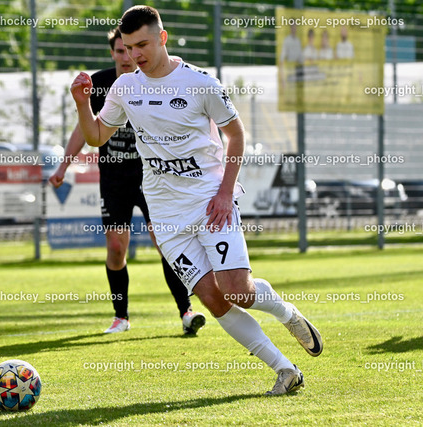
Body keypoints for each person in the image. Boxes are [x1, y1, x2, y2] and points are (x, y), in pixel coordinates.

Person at [70, 5, 323, 395]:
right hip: (166, 214)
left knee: (237, 290)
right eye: (129, 47)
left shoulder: (200, 83)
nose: (135, 54)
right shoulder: (124, 87)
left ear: (162, 38)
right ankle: (285, 370)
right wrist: (81, 101)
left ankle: (286, 313)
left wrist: (225, 192)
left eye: (142, 45)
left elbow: (236, 135)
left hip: (209, 202)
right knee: (212, 298)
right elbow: (96, 136)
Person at [50, 27, 206, 335]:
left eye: (131, 49)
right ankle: (120, 316)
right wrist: (63, 165)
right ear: (113, 53)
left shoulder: (153, 81)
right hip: (115, 180)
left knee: (165, 244)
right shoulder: (101, 83)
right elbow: (85, 127)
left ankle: (186, 311)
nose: (126, 57)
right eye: (120, 51)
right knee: (116, 246)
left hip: (152, 178)